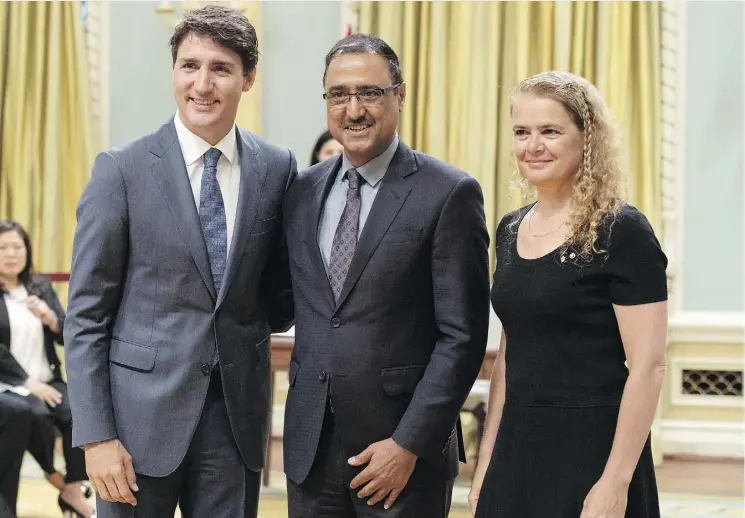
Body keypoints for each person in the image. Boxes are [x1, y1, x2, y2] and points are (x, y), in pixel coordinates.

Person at [64, 6, 296, 518]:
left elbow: (277, 298)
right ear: (174, 72)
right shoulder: (120, 171)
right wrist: (96, 435)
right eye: (190, 65)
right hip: (133, 427)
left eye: (220, 68)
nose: (202, 83)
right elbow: (85, 318)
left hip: (234, 425)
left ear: (248, 77)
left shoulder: (277, 168)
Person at [282, 33, 490, 518]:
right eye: (339, 95)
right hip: (310, 453)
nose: (353, 109)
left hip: (401, 459)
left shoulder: (448, 192)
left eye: (369, 93)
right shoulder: (300, 192)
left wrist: (408, 444)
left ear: (400, 95)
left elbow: (462, 336)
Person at [469, 71, 667, 518]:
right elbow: (510, 353)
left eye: (550, 132)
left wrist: (615, 483)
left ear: (587, 138)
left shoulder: (622, 230)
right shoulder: (510, 228)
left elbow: (649, 367)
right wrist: (486, 465)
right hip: (518, 448)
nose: (532, 145)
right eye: (522, 132)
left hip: (594, 448)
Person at [0, 220, 94, 518]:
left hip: (47, 380)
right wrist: (28, 383)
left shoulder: (41, 287)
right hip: (9, 383)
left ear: (27, 250)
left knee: (78, 412)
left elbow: (68, 333)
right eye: (2, 248)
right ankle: (58, 481)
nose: (11, 253)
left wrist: (51, 319)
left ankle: (72, 488)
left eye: (17, 246)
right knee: (34, 414)